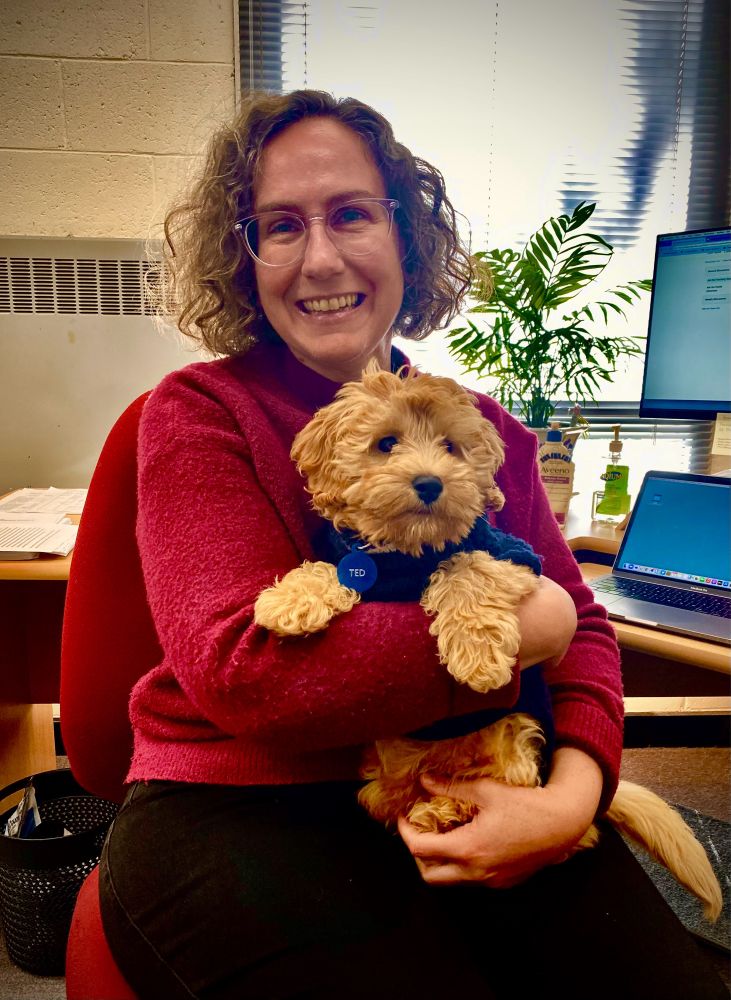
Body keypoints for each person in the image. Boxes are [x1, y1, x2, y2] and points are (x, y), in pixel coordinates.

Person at [98, 90, 726, 999]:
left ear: (406, 237)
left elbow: (583, 627)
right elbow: (246, 675)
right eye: (280, 225)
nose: (321, 257)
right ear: (243, 258)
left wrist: (570, 798)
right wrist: (523, 637)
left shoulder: (481, 433)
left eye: (352, 213)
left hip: (475, 767)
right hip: (237, 801)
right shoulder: (200, 414)